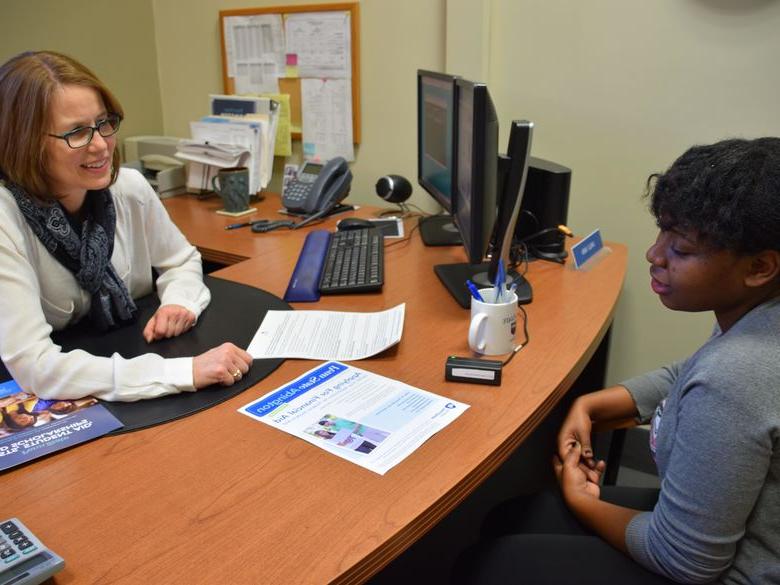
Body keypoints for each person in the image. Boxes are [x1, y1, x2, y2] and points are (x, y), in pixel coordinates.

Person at [457, 138, 780, 584]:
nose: (655, 255)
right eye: (662, 232)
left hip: (727, 572)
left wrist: (583, 501)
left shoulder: (740, 373)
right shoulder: (759, 319)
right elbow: (690, 372)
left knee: (488, 567)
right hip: (728, 536)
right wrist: (595, 404)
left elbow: (686, 561)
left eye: (681, 250)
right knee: (513, 517)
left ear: (761, 267)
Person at [0, 51, 253, 402]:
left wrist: (179, 303)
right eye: (76, 132)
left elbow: (180, 261)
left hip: (129, 360)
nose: (101, 145)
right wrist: (184, 371)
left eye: (104, 123)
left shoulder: (128, 188)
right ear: (24, 142)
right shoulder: (5, 219)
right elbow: (36, 367)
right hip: (60, 391)